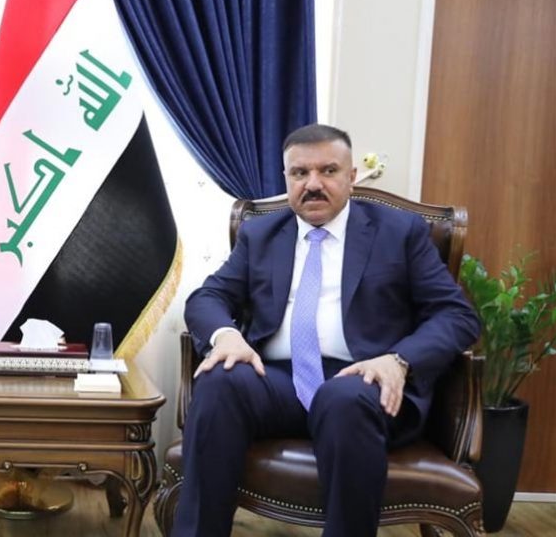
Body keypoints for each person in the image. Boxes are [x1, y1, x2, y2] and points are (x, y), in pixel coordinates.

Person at [172, 124, 480, 537]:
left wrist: (399, 360)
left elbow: (457, 315)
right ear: (286, 178)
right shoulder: (261, 234)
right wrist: (226, 336)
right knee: (219, 382)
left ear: (351, 176)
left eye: (328, 171)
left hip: (363, 380)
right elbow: (207, 297)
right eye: (300, 173)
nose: (313, 184)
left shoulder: (400, 232)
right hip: (277, 382)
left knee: (343, 398)